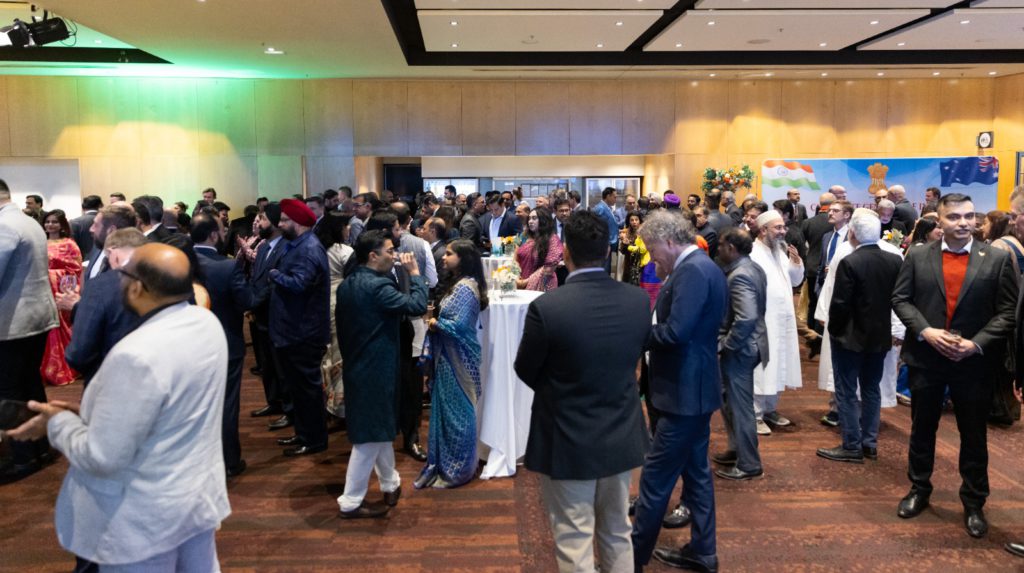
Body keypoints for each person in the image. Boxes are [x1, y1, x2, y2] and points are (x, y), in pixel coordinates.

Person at [7, 243, 231, 571]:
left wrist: (56, 422)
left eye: (122, 274)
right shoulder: (206, 323)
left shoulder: (136, 355)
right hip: (195, 502)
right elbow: (166, 414)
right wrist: (80, 417)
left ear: (137, 287)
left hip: (142, 519)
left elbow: (102, 456)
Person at [515, 211, 650, 573]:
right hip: (620, 430)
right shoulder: (638, 302)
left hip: (566, 434)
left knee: (574, 537)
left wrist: (561, 390)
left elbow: (525, 369)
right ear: (607, 252)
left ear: (567, 254)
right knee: (618, 530)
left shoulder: (547, 307)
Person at [892, 193, 1018, 539]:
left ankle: (974, 502)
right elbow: (900, 299)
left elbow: (1008, 311)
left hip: (973, 363)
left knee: (974, 436)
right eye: (954, 217)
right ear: (940, 221)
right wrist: (926, 331)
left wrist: (976, 343)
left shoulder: (996, 259)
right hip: (927, 359)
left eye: (968, 216)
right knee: (922, 429)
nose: (963, 223)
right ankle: (919, 489)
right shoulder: (917, 255)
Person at [631, 210, 726, 573]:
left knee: (655, 481)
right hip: (691, 391)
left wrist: (632, 333)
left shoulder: (693, 271)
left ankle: (631, 561)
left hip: (685, 394)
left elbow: (675, 333)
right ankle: (703, 552)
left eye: (653, 250)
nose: (652, 259)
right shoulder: (699, 268)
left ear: (670, 241)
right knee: (697, 475)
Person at [336, 230, 428, 518]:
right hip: (374, 369)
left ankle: (390, 484)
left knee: (379, 430)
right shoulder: (377, 287)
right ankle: (350, 502)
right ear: (373, 255)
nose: (395, 255)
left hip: (359, 364)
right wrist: (415, 274)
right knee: (368, 439)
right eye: (389, 251)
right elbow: (416, 307)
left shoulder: (349, 283)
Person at [816, 213, 902, 464]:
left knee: (846, 391)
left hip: (850, 338)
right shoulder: (894, 260)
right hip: (880, 336)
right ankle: (869, 444)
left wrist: (834, 331)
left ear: (852, 233)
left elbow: (840, 304)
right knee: (871, 389)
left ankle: (851, 445)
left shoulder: (850, 261)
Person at [416, 239, 487, 489]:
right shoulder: (459, 284)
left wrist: (434, 323)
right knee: (446, 412)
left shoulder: (466, 289)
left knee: (459, 415)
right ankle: (444, 464)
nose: (444, 258)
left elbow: (457, 327)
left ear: (464, 258)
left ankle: (459, 469)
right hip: (447, 357)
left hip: (459, 359)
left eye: (449, 254)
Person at [0, 179, 58, 483]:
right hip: (33, 319)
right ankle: (41, 447)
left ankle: (22, 458)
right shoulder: (27, 221)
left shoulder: (4, 226)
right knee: (30, 384)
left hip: (13, 323)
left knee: (8, 391)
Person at [191, 212, 253, 477]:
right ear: (214, 235)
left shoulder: (176, 263)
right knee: (227, 404)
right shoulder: (227, 266)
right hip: (225, 342)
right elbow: (246, 302)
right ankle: (228, 461)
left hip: (188, 347)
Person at [270, 198, 330, 457]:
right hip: (292, 330)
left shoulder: (308, 249)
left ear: (299, 223)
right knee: (298, 388)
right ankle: (303, 433)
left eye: (284, 220)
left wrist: (274, 275)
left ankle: (314, 439)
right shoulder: (295, 244)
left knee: (308, 390)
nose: (280, 224)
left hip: (303, 332)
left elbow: (299, 284)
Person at [713, 228, 768, 481]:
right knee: (730, 403)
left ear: (732, 249)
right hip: (751, 345)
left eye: (722, 245)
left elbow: (746, 318)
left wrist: (727, 345)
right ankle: (738, 449)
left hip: (742, 349)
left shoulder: (740, 276)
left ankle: (749, 463)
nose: (718, 249)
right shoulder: (752, 268)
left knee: (741, 406)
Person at [64, 228, 145, 385]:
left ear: (113, 253)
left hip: (110, 381)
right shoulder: (169, 278)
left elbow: (79, 353)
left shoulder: (99, 287)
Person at [749, 210, 804, 436]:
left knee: (781, 364)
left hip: (784, 321)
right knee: (763, 369)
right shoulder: (752, 253)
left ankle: (770, 409)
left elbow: (795, 280)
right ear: (763, 230)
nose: (783, 231)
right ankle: (755, 414)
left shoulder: (780, 252)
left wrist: (796, 263)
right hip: (763, 321)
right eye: (778, 228)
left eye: (783, 227)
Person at [40, 209, 82, 386]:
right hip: (42, 291)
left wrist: (52, 275)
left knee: (61, 327)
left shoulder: (69, 244)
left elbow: (75, 270)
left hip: (60, 291)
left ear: (61, 224)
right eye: (48, 221)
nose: (50, 225)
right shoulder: (40, 242)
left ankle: (65, 366)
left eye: (54, 222)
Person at [82, 204, 137, 286]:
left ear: (111, 230)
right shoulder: (97, 246)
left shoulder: (129, 263)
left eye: (96, 225)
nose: (91, 229)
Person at [515, 207, 563, 292]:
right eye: (529, 218)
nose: (530, 221)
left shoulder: (552, 239)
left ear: (543, 220)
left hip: (543, 285)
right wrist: (515, 276)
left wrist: (525, 282)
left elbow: (548, 269)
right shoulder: (524, 237)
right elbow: (516, 257)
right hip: (520, 281)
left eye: (534, 218)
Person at [592, 187, 619, 272]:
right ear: (608, 196)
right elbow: (599, 229)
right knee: (604, 270)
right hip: (604, 245)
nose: (616, 199)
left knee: (607, 269)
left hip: (609, 244)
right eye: (614, 197)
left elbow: (611, 224)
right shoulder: (600, 209)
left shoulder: (607, 208)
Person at [619, 211, 644, 285]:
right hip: (629, 264)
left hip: (642, 264)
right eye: (632, 220)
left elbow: (643, 249)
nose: (634, 222)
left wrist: (630, 245)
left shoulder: (644, 232)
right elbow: (622, 251)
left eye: (636, 220)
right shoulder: (626, 232)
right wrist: (624, 243)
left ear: (640, 221)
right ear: (629, 222)